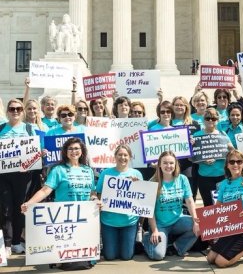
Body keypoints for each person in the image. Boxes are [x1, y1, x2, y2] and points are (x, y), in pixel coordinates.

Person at [21, 138, 99, 268]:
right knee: (67, 261)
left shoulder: (88, 170)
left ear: (82, 151)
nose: (74, 151)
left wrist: (96, 200)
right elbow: (46, 190)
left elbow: (92, 193)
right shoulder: (58, 170)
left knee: (83, 261)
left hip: (84, 219)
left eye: (77, 148)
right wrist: (29, 203)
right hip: (64, 218)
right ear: (65, 152)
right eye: (70, 149)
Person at [207, 150, 243, 267]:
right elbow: (217, 207)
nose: (235, 164)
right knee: (210, 258)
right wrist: (205, 219)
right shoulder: (223, 184)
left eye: (239, 161)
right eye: (232, 162)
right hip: (230, 226)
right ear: (227, 165)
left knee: (220, 262)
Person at [143, 151, 199, 260]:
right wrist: (154, 230)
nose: (168, 166)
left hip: (178, 220)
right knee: (158, 255)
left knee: (200, 225)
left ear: (176, 164)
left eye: (171, 163)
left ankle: (177, 247)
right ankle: (146, 238)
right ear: (159, 164)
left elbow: (189, 201)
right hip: (160, 225)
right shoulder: (153, 182)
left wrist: (196, 222)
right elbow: (149, 210)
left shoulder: (182, 179)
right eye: (165, 163)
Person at [0, 99, 36, 258]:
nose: (15, 111)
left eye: (19, 109)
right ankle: (7, 243)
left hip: (23, 175)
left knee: (20, 208)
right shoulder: (1, 128)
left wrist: (42, 153)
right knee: (7, 208)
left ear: (23, 112)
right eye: (12, 108)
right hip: (4, 176)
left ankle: (16, 241)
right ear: (7, 111)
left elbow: (36, 150)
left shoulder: (29, 128)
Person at [96, 145, 142, 260]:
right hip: (109, 222)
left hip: (129, 222)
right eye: (120, 155)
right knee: (110, 256)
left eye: (125, 155)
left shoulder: (137, 174)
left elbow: (142, 200)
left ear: (130, 157)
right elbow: (99, 195)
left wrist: (138, 185)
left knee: (127, 256)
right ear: (115, 157)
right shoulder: (105, 173)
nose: (123, 157)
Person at [192, 108, 233, 206]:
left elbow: (232, 153)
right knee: (209, 205)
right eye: (208, 118)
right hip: (205, 177)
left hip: (222, 177)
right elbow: (191, 158)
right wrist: (202, 160)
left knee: (224, 204)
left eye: (213, 118)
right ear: (203, 119)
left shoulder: (223, 134)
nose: (210, 120)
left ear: (217, 120)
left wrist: (231, 148)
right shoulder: (196, 136)